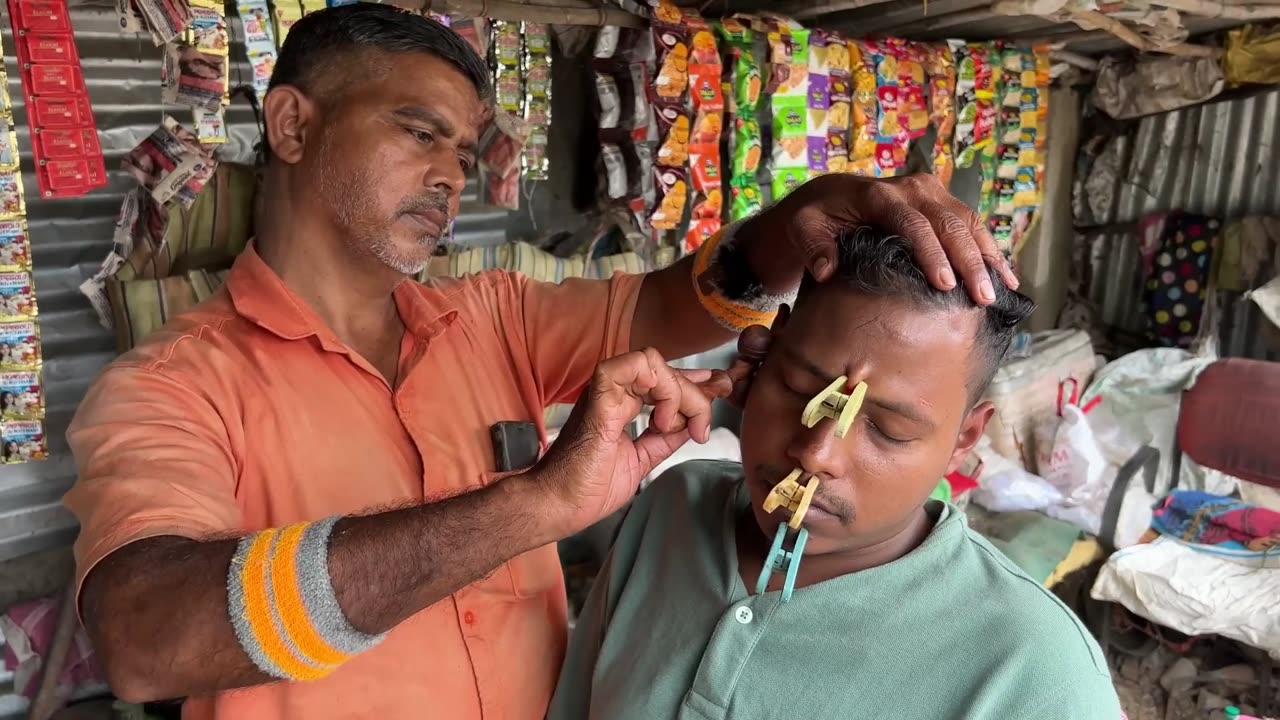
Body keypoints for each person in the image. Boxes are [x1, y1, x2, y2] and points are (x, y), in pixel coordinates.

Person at [63, 6, 1018, 720]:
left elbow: (673, 301)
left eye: (468, 150)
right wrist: (535, 504)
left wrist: (809, 213)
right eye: (418, 130)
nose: (451, 175)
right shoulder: (172, 386)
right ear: (293, 125)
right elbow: (146, 637)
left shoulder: (491, 317)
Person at [548, 227, 1123, 720]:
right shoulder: (671, 507)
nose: (817, 452)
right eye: (799, 388)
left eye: (890, 429)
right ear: (759, 356)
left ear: (963, 441)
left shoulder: (1038, 676)